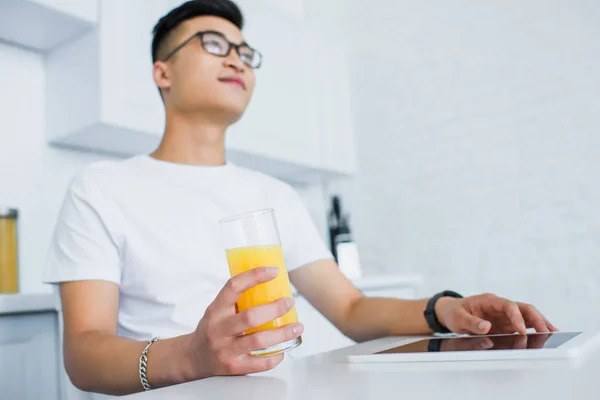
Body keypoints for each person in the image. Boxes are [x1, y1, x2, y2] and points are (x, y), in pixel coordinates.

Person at [44, 0, 557, 396]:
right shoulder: (102, 187)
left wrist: (445, 308)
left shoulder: (274, 195)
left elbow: (351, 308)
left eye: (245, 52)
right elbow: (85, 354)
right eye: (214, 44)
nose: (239, 61)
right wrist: (191, 357)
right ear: (163, 73)